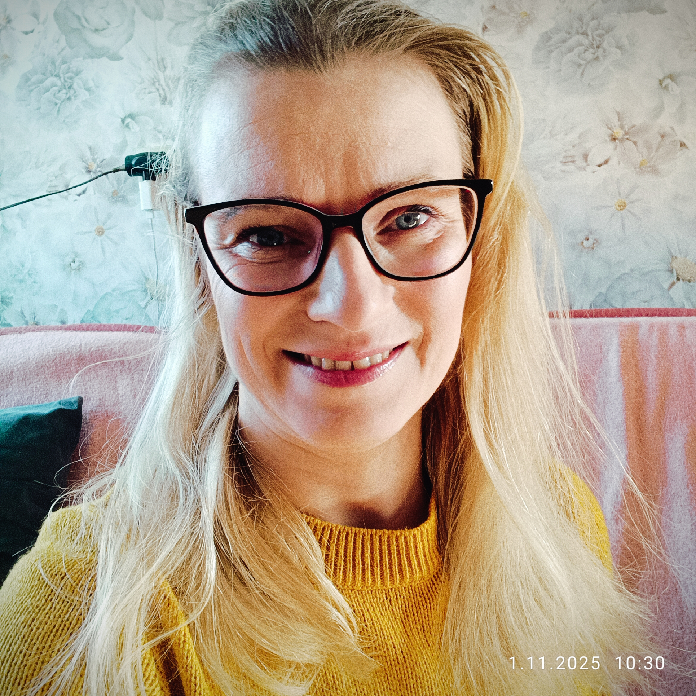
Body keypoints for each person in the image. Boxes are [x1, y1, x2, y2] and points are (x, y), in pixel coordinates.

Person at [0, 0, 656, 694]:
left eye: (410, 216)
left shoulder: (558, 524)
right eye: (267, 234)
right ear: (198, 265)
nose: (351, 307)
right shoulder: (85, 606)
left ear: (478, 235)